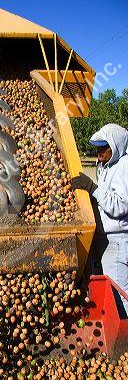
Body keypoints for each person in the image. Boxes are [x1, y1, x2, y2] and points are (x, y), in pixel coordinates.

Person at [71, 123, 128, 317]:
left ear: (116, 145)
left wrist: (93, 189)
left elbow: (120, 205)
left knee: (119, 291)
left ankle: (123, 335)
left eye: (104, 147)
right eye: (98, 146)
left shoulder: (124, 166)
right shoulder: (104, 165)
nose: (99, 151)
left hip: (117, 239)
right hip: (103, 236)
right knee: (104, 288)